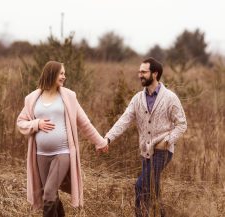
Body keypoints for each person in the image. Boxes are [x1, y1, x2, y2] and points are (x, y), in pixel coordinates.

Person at [17, 60, 108, 217]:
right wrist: (36, 123)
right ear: (51, 73)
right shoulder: (32, 98)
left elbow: (84, 123)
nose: (64, 77)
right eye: (61, 73)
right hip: (40, 155)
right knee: (51, 194)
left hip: (62, 152)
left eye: (64, 73)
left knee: (49, 196)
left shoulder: (69, 97)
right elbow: (21, 122)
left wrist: (100, 142)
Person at [104, 57, 187, 217]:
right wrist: (108, 138)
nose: (139, 75)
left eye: (143, 72)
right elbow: (124, 120)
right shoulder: (137, 99)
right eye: (139, 71)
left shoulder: (170, 97)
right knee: (153, 192)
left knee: (140, 185)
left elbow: (182, 124)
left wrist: (168, 141)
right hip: (145, 153)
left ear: (155, 74)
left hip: (162, 152)